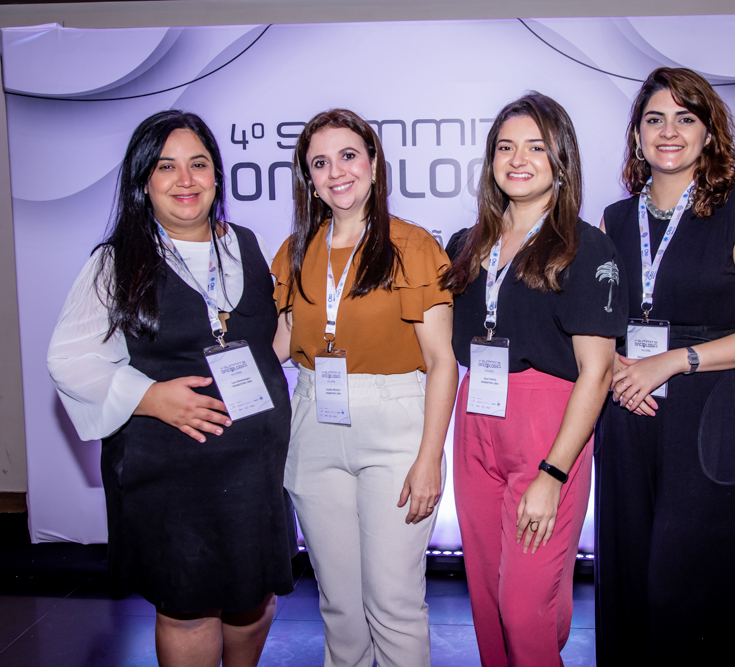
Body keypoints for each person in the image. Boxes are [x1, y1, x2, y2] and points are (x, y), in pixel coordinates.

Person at [47, 110, 294, 667]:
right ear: (144, 182)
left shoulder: (247, 245)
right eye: (166, 166)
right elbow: (69, 357)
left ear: (216, 176)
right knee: (188, 608)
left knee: (255, 600)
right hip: (173, 474)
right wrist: (150, 397)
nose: (185, 179)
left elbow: (264, 344)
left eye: (198, 164)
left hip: (254, 469)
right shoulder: (117, 262)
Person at [594, 67, 735, 665]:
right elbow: (599, 321)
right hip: (627, 407)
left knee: (689, 583)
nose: (669, 131)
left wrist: (675, 360)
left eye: (686, 118)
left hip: (710, 415)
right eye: (654, 118)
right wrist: (613, 367)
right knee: (628, 574)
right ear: (637, 135)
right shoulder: (613, 220)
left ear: (709, 133)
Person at [442, 92, 626, 667]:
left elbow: (597, 372)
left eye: (536, 147)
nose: (518, 159)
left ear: (561, 159)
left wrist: (554, 473)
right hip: (476, 418)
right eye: (505, 147)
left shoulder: (585, 247)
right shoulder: (465, 245)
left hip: (548, 427)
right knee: (487, 596)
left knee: (524, 609)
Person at [270, 108, 458, 667]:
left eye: (348, 156)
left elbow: (442, 362)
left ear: (374, 165)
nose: (336, 172)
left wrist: (430, 457)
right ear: (309, 178)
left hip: (394, 425)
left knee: (392, 603)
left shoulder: (413, 246)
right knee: (340, 609)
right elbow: (279, 344)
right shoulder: (295, 250)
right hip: (313, 420)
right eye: (320, 163)